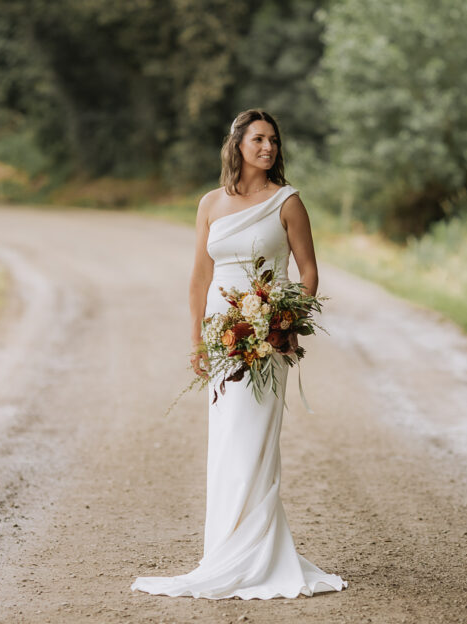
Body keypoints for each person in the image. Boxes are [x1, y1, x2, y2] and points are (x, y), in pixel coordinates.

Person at [130, 110, 348, 599]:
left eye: (273, 140)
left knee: (254, 441)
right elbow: (199, 279)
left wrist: (285, 323)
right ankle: (225, 551)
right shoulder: (210, 203)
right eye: (258, 139)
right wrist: (195, 340)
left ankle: (258, 553)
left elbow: (307, 271)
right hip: (223, 338)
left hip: (266, 338)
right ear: (238, 145)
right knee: (226, 441)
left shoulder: (287, 203)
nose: (267, 148)